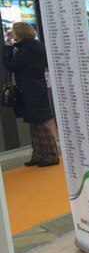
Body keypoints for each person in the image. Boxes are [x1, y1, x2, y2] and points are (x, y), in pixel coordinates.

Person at [5, 22, 57, 166]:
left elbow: (10, 65)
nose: (12, 34)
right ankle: (39, 155)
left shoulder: (26, 50)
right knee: (35, 122)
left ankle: (51, 155)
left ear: (20, 33)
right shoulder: (35, 46)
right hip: (36, 89)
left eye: (14, 31)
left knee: (39, 123)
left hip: (30, 90)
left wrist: (7, 47)